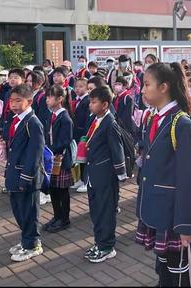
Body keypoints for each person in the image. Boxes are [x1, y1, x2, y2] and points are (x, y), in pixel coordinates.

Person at [136, 63, 191, 287]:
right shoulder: (153, 118)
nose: (142, 90)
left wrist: (185, 226)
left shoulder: (181, 124)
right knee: (163, 266)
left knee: (178, 271)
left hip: (174, 215)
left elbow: (188, 180)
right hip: (158, 210)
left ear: (163, 87)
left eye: (146, 84)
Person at [83, 86, 127, 263]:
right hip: (93, 174)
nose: (90, 106)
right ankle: (99, 242)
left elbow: (118, 150)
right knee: (96, 211)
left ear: (105, 104)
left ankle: (107, 246)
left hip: (105, 175)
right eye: (90, 102)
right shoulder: (96, 119)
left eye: (94, 102)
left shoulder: (110, 123)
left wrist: (121, 173)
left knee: (106, 211)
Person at [3, 84, 45, 263]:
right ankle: (26, 239)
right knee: (19, 210)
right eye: (11, 100)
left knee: (29, 211)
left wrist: (25, 177)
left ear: (29, 101)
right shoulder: (16, 119)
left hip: (27, 176)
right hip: (15, 173)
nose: (13, 104)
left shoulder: (33, 123)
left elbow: (35, 153)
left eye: (18, 100)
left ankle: (33, 244)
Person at [43, 86, 74, 233]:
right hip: (51, 159)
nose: (47, 99)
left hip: (60, 159)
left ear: (60, 99)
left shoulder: (65, 118)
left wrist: (49, 149)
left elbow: (65, 141)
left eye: (50, 97)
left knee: (62, 191)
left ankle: (64, 219)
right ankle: (56, 216)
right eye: (47, 97)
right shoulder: (51, 115)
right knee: (53, 189)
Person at [73, 77, 91, 193]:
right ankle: (79, 178)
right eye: (76, 87)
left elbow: (87, 120)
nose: (78, 89)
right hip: (76, 133)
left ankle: (85, 180)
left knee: (85, 157)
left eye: (81, 86)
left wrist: (85, 134)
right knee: (78, 158)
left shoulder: (87, 101)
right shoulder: (76, 100)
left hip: (83, 133)